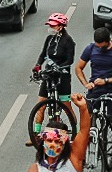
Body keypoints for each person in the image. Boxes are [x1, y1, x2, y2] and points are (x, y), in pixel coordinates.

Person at [75, 27, 112, 172]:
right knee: (85, 124)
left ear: (108, 42)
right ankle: (81, 156)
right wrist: (85, 84)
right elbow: (79, 68)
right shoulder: (91, 48)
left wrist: (107, 80)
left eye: (101, 46)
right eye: (97, 46)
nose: (99, 49)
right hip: (95, 90)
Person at [26, 13, 76, 146]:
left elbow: (70, 59)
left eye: (53, 26)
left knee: (66, 106)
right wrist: (37, 66)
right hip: (48, 75)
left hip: (62, 76)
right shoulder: (49, 39)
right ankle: (36, 135)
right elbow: (43, 54)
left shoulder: (68, 41)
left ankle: (76, 132)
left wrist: (59, 67)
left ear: (60, 27)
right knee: (41, 105)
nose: (51, 28)